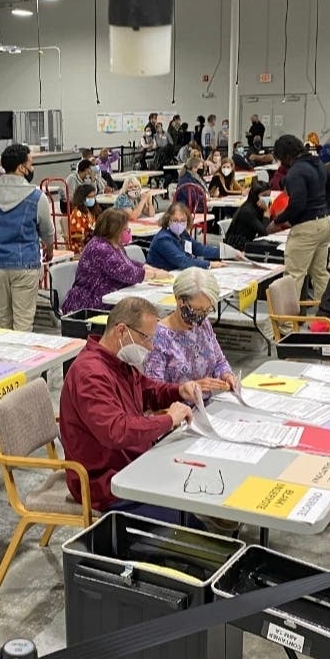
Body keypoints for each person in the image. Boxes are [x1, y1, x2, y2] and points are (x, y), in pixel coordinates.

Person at [58, 296, 200, 522]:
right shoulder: (90, 374)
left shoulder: (118, 362)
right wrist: (168, 420)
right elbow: (116, 431)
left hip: (132, 464)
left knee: (192, 490)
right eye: (146, 338)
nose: (151, 347)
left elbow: (147, 391)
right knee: (186, 521)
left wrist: (178, 390)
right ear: (121, 331)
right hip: (106, 483)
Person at [0, 143, 54, 331]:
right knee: (23, 323)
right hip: (25, 264)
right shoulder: (37, 196)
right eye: (31, 163)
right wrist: (49, 250)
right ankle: (20, 360)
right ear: (22, 167)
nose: (32, 168)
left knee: (4, 320)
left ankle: (5, 359)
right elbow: (47, 231)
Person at [143, 268, 237, 395]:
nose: (201, 316)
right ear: (179, 300)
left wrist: (226, 375)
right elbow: (155, 393)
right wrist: (187, 388)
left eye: (207, 310)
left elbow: (219, 361)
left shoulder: (203, 325)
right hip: (177, 410)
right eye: (197, 309)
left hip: (206, 406)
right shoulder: (158, 337)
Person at [268, 135, 330, 296]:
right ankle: (325, 315)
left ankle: (287, 322)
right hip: (325, 222)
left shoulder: (295, 172)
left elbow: (297, 204)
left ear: (285, 156)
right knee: (320, 273)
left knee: (293, 276)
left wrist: (277, 221)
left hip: (307, 227)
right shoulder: (318, 163)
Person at [62, 210, 159, 312]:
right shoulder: (100, 248)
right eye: (125, 229)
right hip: (89, 301)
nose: (128, 232)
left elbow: (127, 263)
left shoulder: (115, 244)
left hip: (107, 297)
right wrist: (154, 275)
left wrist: (146, 267)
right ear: (115, 230)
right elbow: (126, 273)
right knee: (139, 311)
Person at [146, 202, 222, 271]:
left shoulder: (182, 234)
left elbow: (199, 248)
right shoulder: (163, 239)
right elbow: (183, 261)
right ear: (168, 220)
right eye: (175, 220)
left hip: (176, 273)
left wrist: (224, 253)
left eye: (182, 221)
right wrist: (209, 264)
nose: (179, 224)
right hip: (158, 279)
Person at [224, 184, 269, 251]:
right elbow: (264, 231)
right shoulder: (247, 211)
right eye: (264, 195)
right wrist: (266, 212)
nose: (267, 198)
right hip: (238, 245)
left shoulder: (258, 208)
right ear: (256, 196)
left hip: (248, 242)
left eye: (268, 195)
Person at [67, 183, 99, 253]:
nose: (93, 199)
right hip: (80, 245)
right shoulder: (77, 213)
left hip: (92, 242)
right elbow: (77, 236)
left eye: (94, 197)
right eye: (90, 197)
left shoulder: (91, 211)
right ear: (83, 198)